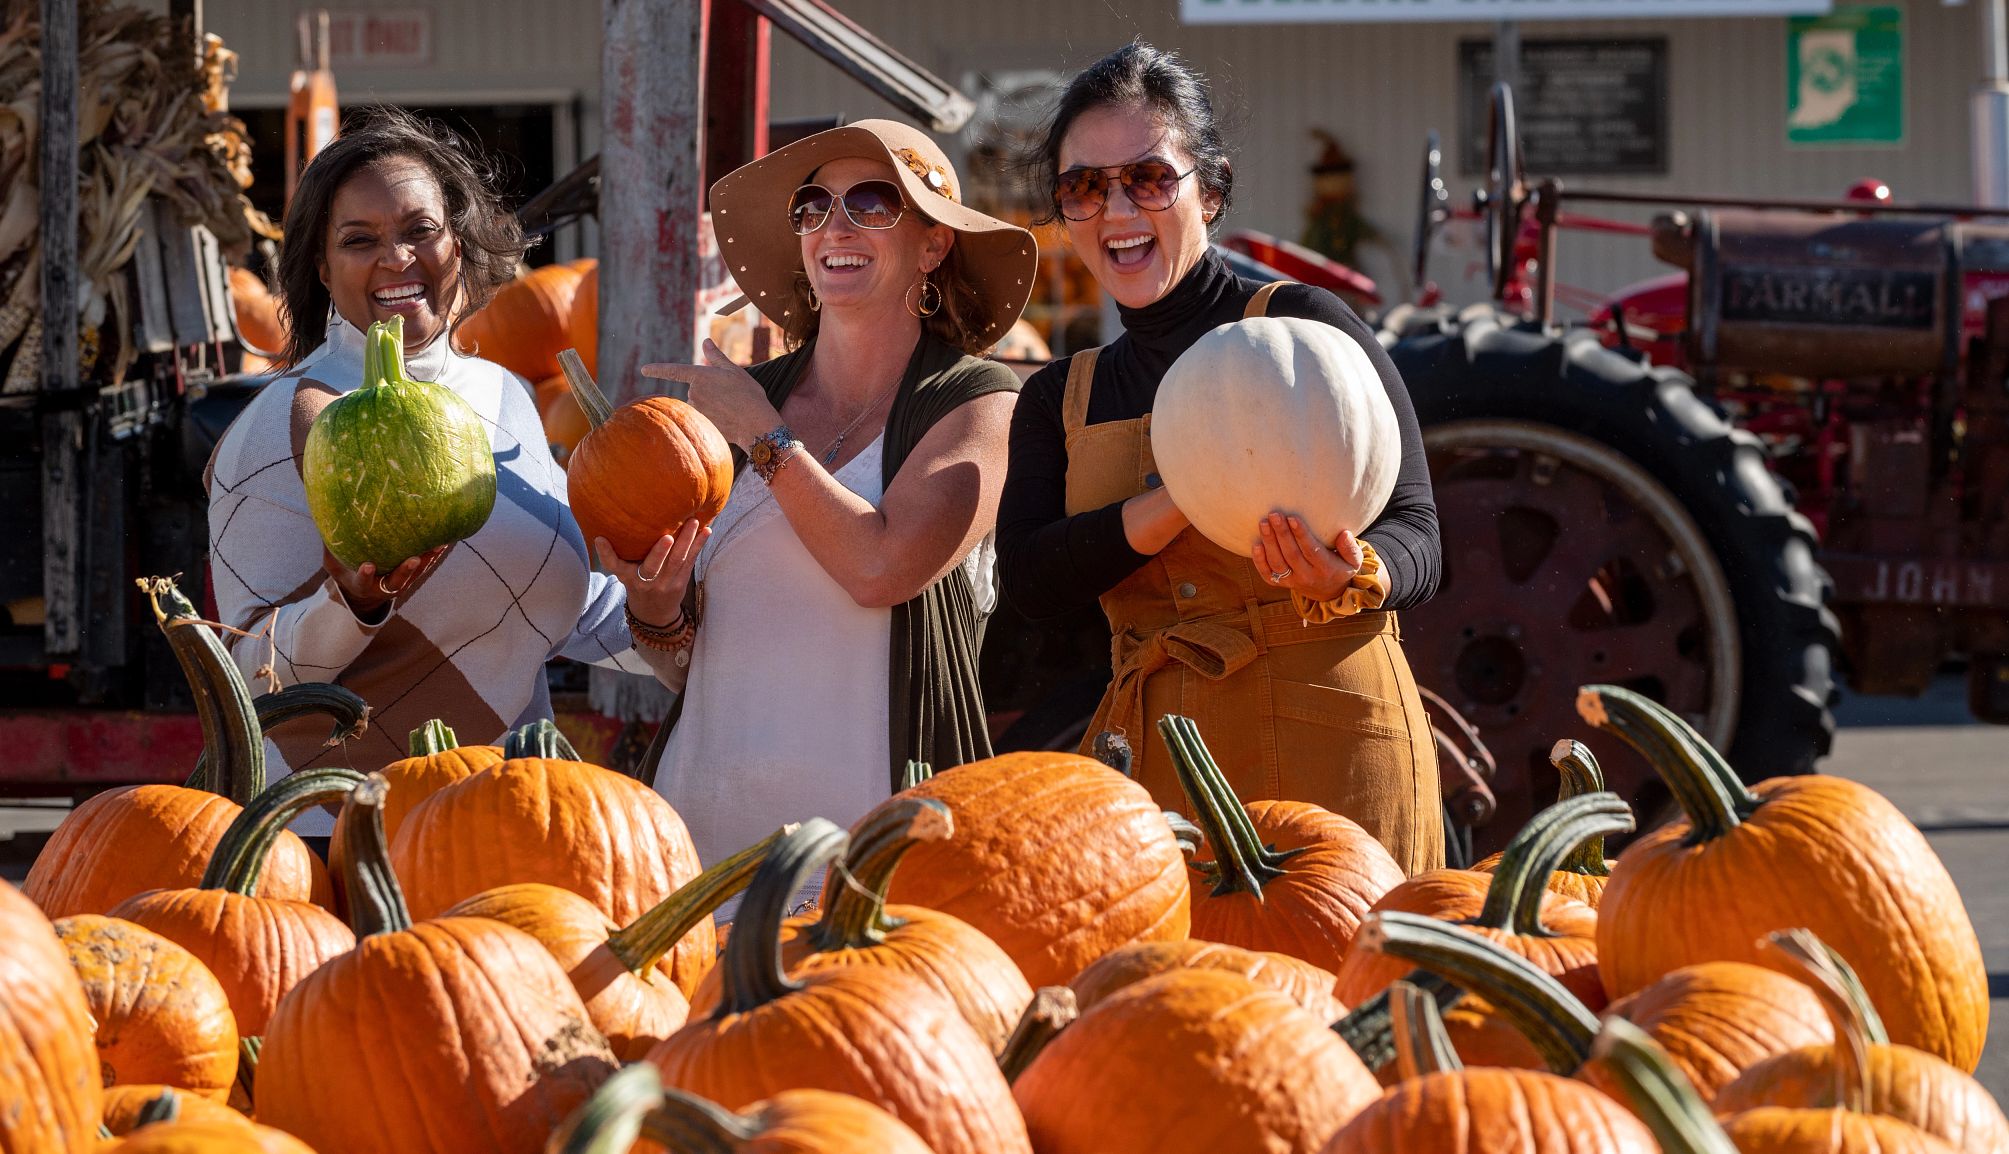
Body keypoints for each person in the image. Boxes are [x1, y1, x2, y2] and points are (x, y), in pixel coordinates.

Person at [997, 42, 1446, 873]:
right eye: (1083, 186)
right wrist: (1175, 500)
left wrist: (1352, 576)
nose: (1118, 210)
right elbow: (1027, 582)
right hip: (1157, 764)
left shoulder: (1306, 325)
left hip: (1335, 747)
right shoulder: (1058, 395)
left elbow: (1419, 528)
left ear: (1209, 188)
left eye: (1149, 178)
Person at [206, 108, 661, 837]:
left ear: (460, 240)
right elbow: (240, 672)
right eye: (360, 240)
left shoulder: (501, 393)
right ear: (321, 268)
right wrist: (351, 604)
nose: (396, 258)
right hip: (344, 829)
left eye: (419, 230)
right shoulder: (290, 421)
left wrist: (673, 612)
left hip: (505, 807)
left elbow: (547, 600)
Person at [608, 120, 1036, 875]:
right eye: (813, 207)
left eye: (871, 203)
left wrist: (767, 441)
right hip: (702, 828)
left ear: (933, 245)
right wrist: (656, 608)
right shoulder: (745, 405)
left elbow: (882, 569)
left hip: (875, 846)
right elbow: (687, 664)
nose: (833, 225)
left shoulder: (975, 401)